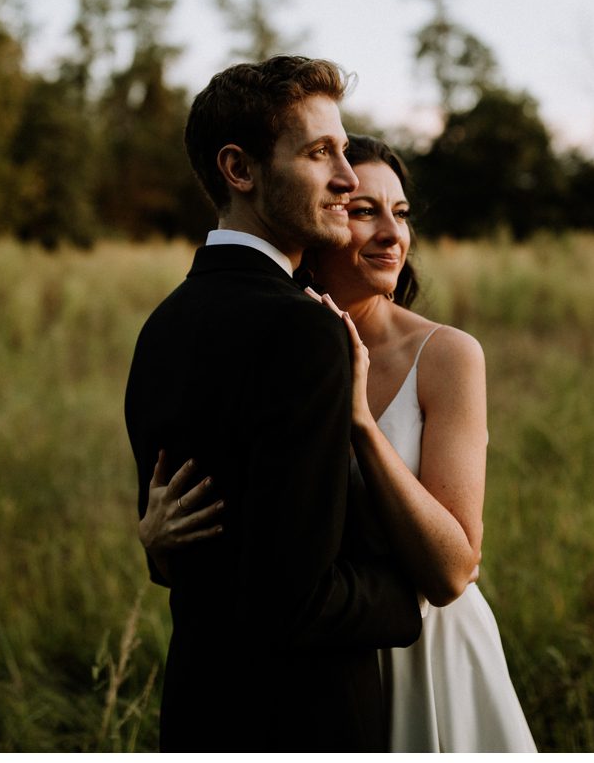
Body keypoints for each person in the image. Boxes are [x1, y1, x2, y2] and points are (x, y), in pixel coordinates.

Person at [140, 134, 538, 752]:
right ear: (321, 223)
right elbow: (252, 532)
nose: (391, 234)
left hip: (426, 654)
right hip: (312, 665)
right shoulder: (276, 341)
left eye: (400, 213)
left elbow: (454, 570)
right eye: (363, 211)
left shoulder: (447, 356)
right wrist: (161, 547)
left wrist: (359, 422)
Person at [125, 57, 424, 750]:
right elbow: (298, 600)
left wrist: (158, 553)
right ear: (240, 169)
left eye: (345, 152)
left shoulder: (161, 325)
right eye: (322, 153)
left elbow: (190, 538)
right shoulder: (304, 330)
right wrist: (413, 597)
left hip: (199, 711)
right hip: (301, 718)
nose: (347, 180)